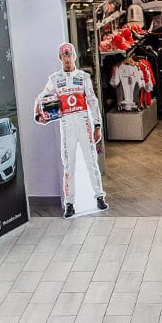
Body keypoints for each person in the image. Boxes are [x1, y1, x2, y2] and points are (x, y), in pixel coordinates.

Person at [34, 42, 108, 218]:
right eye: (64, 55)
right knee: (69, 164)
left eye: (69, 54)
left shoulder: (83, 77)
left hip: (83, 121)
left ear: (74, 56)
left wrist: (97, 125)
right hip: (66, 123)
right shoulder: (54, 79)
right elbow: (41, 97)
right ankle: (69, 203)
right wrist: (39, 116)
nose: (67, 58)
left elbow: (92, 101)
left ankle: (99, 196)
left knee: (91, 160)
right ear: (60, 58)